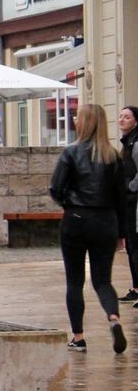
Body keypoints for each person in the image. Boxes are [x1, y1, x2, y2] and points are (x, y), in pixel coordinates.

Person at [50, 104, 128, 354]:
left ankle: (78, 336)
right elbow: (122, 198)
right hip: (106, 221)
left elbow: (55, 188)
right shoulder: (113, 156)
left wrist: (69, 203)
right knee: (103, 280)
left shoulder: (71, 153)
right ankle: (113, 318)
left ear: (82, 123)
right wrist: (121, 233)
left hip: (76, 218)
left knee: (75, 281)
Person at [117, 106, 138, 304]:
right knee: (131, 245)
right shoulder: (127, 142)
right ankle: (135, 286)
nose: (122, 119)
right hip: (128, 200)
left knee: (135, 243)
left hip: (134, 201)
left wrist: (131, 188)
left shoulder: (136, 142)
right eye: (120, 116)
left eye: (127, 116)